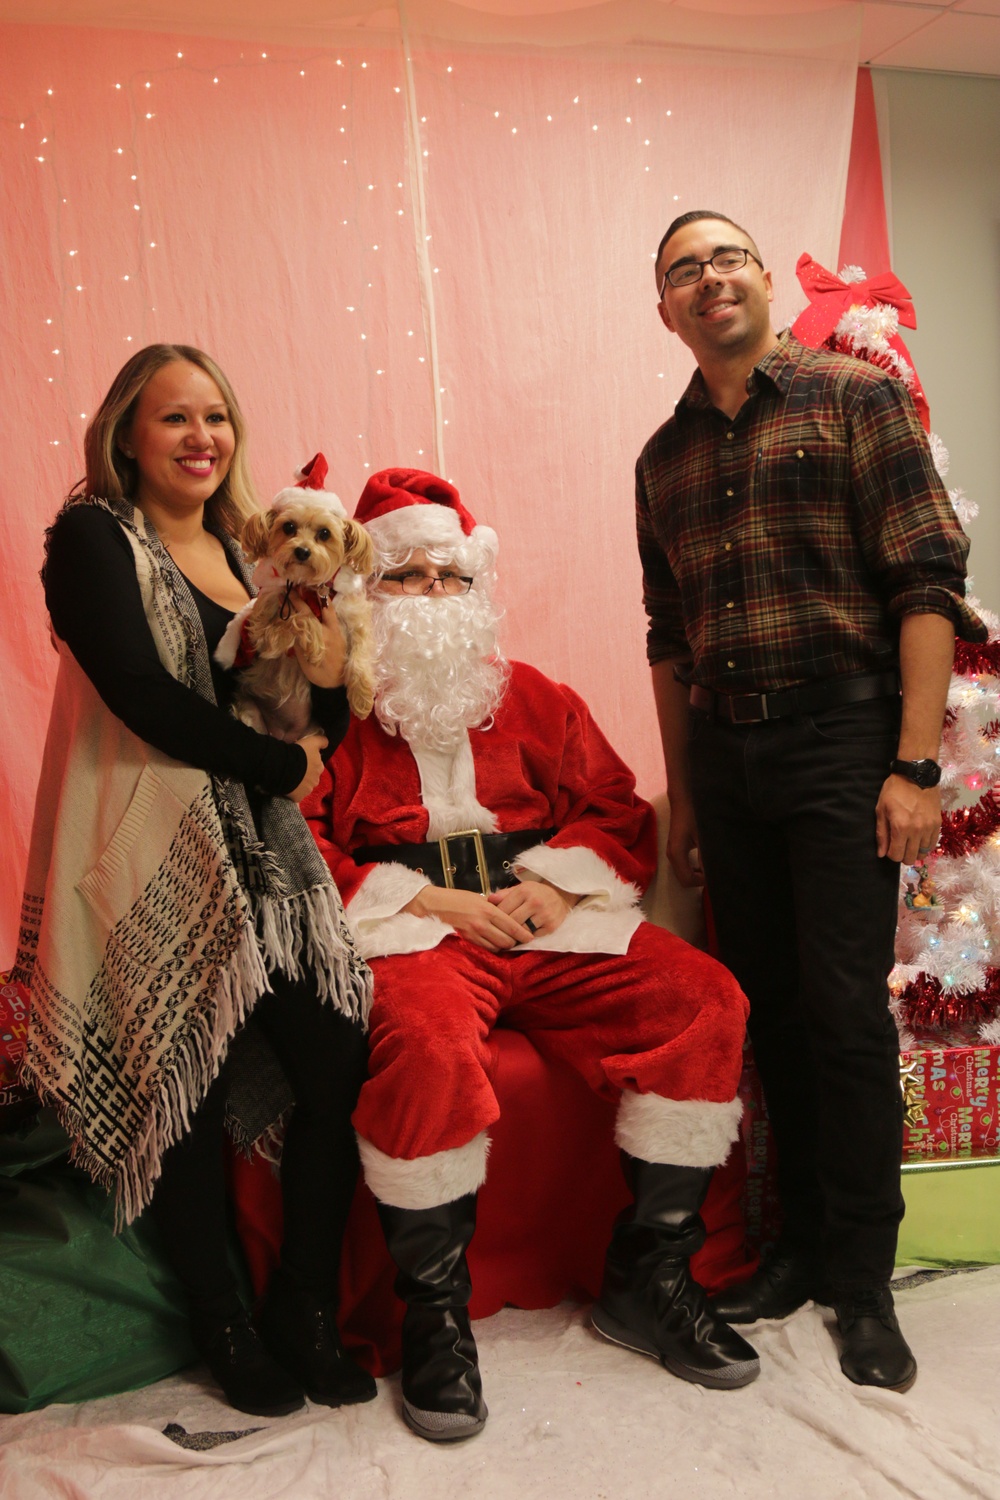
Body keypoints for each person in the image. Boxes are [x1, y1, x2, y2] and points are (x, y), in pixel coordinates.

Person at [303, 466, 760, 1445]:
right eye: (406, 577)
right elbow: (295, 840)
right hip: (412, 923)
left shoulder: (536, 697)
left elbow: (609, 803)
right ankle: (431, 1318)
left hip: (540, 915)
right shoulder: (326, 714)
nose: (431, 596)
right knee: (425, 1048)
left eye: (449, 578)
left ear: (478, 590)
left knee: (705, 1001)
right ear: (364, 592)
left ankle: (650, 1277)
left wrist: (554, 886)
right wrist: (425, 898)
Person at [635, 211, 987, 1393]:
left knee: (843, 1017)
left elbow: (927, 580)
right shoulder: (660, 460)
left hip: (844, 740)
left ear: (757, 280)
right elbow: (669, 637)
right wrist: (683, 796)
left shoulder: (851, 398)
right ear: (665, 308)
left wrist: (914, 764)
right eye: (684, 269)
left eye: (725, 256)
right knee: (772, 1011)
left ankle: (865, 1283)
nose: (708, 279)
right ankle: (793, 1249)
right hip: (729, 763)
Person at [14, 344, 375, 1419]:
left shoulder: (252, 548)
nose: (200, 438)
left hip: (271, 863)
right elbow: (137, 691)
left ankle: (301, 1308)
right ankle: (222, 1323)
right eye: (174, 419)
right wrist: (285, 765)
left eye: (215, 417)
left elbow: (321, 702)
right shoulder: (92, 538)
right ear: (128, 433)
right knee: (187, 1085)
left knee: (335, 1060)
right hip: (152, 847)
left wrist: (325, 724)